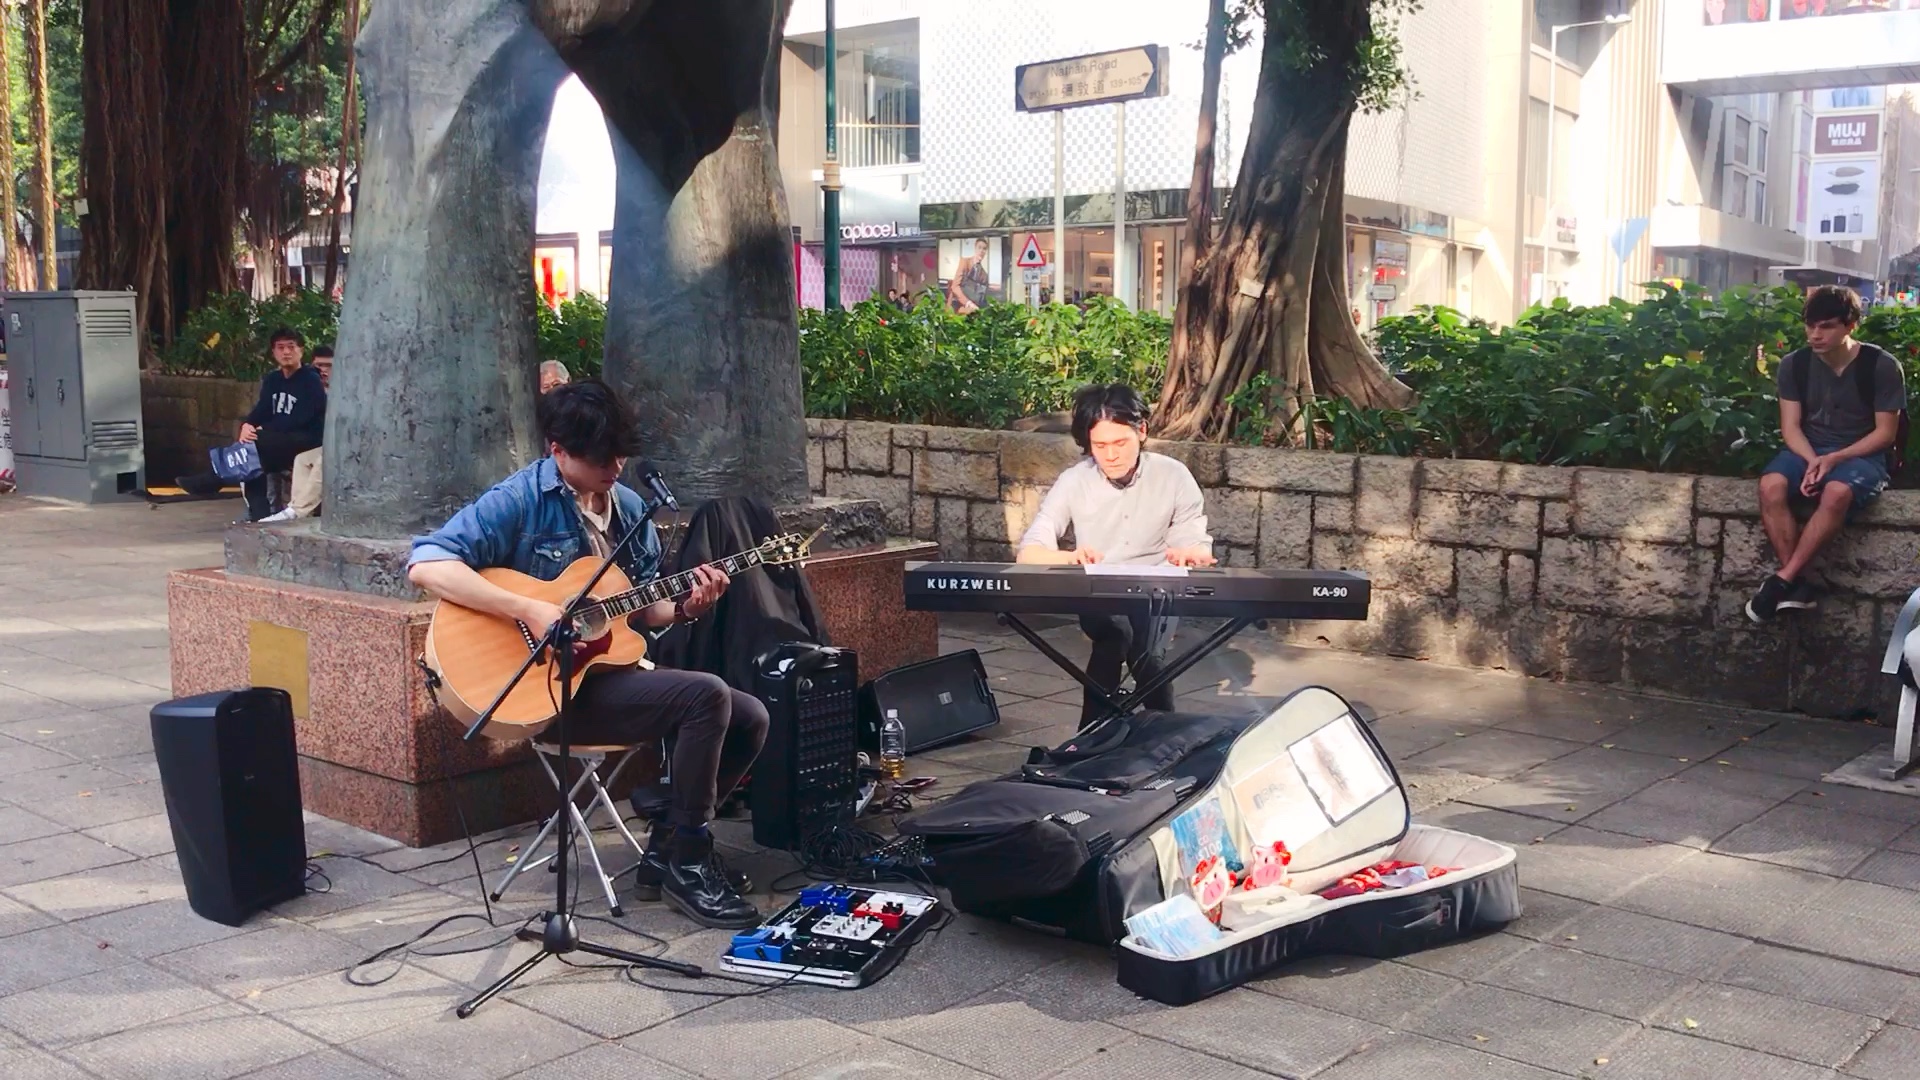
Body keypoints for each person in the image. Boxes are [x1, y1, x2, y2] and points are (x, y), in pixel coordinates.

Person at [407, 380, 768, 928]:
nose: (615, 468)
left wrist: (688, 607)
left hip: (607, 674)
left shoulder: (629, 507)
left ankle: (668, 848)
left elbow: (640, 610)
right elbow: (426, 564)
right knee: (706, 695)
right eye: (600, 458)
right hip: (545, 686)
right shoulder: (519, 500)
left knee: (752, 716)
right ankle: (689, 861)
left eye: (620, 454)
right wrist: (527, 609)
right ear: (558, 449)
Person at [1016, 383, 1214, 727]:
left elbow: (1191, 538)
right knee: (1114, 636)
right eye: (1100, 446)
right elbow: (1030, 551)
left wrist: (1192, 554)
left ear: (1142, 431)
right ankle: (1090, 736)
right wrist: (1069, 558)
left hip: (1158, 590)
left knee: (1147, 655)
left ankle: (1163, 733)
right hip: (1099, 591)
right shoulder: (1074, 481)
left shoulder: (1173, 475)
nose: (1110, 456)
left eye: (1120, 443)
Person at [1747, 285, 1906, 623]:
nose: (1815, 335)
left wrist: (1833, 459)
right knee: (1770, 486)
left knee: (1836, 492)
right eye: (1810, 325)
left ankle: (1782, 580)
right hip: (1808, 449)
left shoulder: (1880, 366)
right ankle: (1796, 585)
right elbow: (1791, 427)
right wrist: (1812, 460)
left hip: (1862, 455)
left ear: (1851, 326)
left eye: (1827, 326)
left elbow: (1885, 434)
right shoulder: (1795, 365)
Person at [176, 327, 326, 521]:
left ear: (301, 351)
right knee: (253, 459)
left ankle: (213, 479)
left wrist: (264, 430)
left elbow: (303, 417)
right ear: (274, 352)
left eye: (291, 347)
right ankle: (259, 514)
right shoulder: (273, 380)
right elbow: (262, 410)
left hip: (306, 439)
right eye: (280, 348)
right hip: (278, 442)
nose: (286, 352)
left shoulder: (310, 380)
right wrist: (248, 425)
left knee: (255, 446)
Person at [259, 346, 332, 523]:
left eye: (328, 366)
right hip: (304, 443)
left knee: (325, 459)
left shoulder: (345, 391)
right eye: (319, 366)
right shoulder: (307, 387)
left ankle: (297, 511)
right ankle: (290, 510)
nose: (323, 370)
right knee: (299, 459)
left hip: (335, 446)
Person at [948, 238, 991, 314]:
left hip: (972, 311)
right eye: (979, 247)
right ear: (975, 248)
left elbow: (983, 296)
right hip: (956, 307)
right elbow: (955, 286)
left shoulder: (984, 275)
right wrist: (968, 303)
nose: (981, 251)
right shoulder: (964, 262)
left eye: (984, 249)